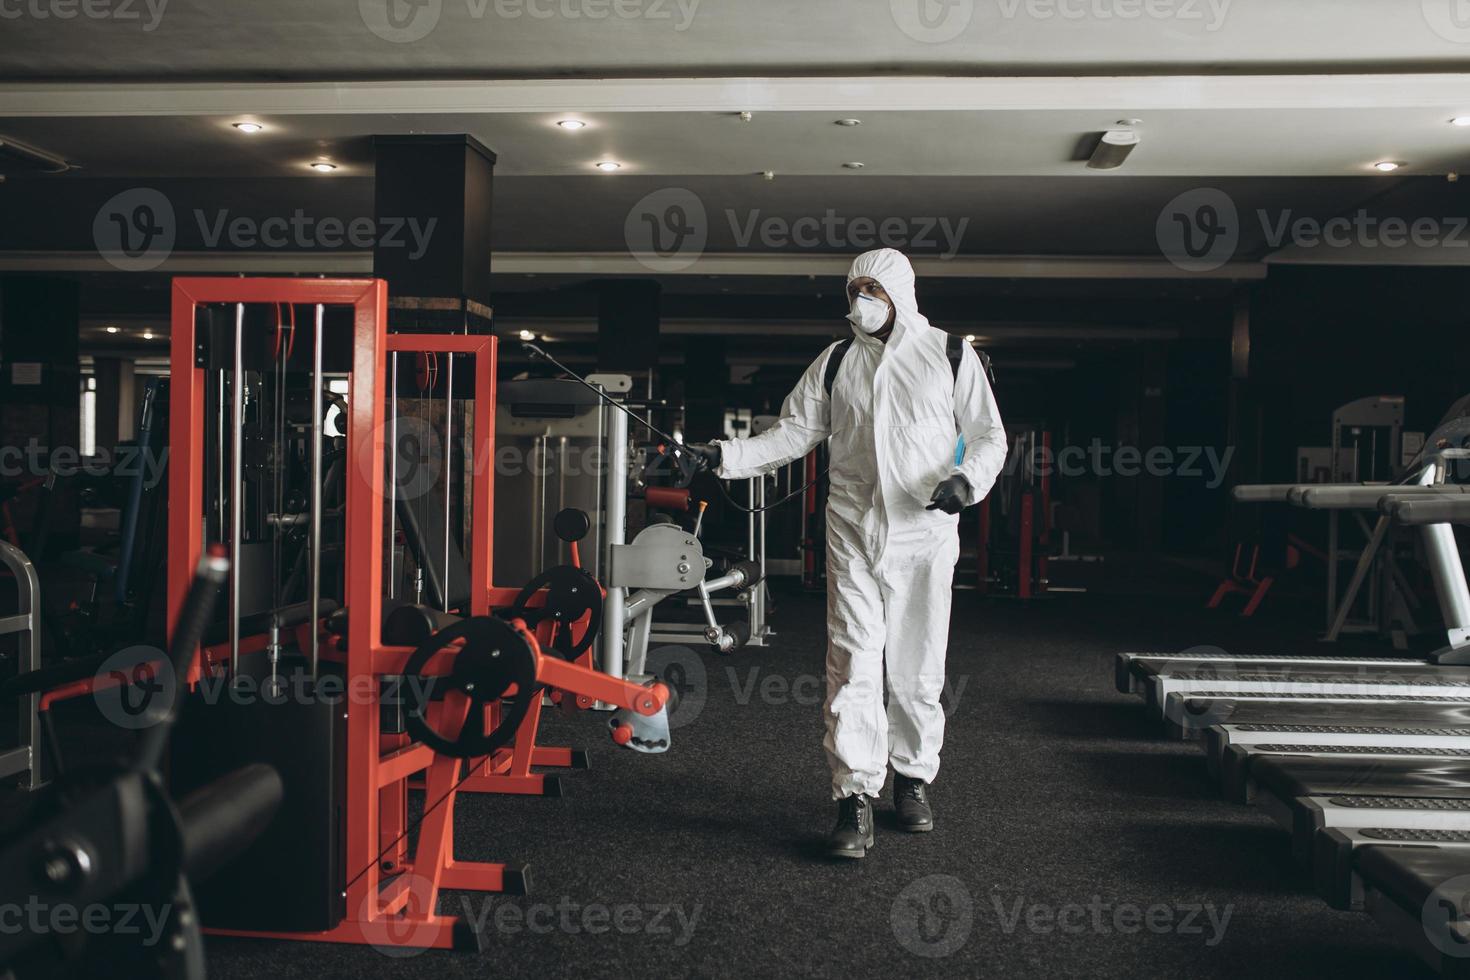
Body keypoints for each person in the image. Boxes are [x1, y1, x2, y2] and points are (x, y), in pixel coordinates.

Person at [685, 248, 1007, 859]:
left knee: (917, 666)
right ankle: (853, 797)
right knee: (852, 663)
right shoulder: (836, 363)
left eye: (872, 288)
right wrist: (723, 457)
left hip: (925, 532)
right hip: (852, 530)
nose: (860, 299)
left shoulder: (949, 354)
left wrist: (967, 480)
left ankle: (912, 780)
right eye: (854, 288)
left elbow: (990, 434)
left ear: (899, 291)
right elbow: (793, 433)